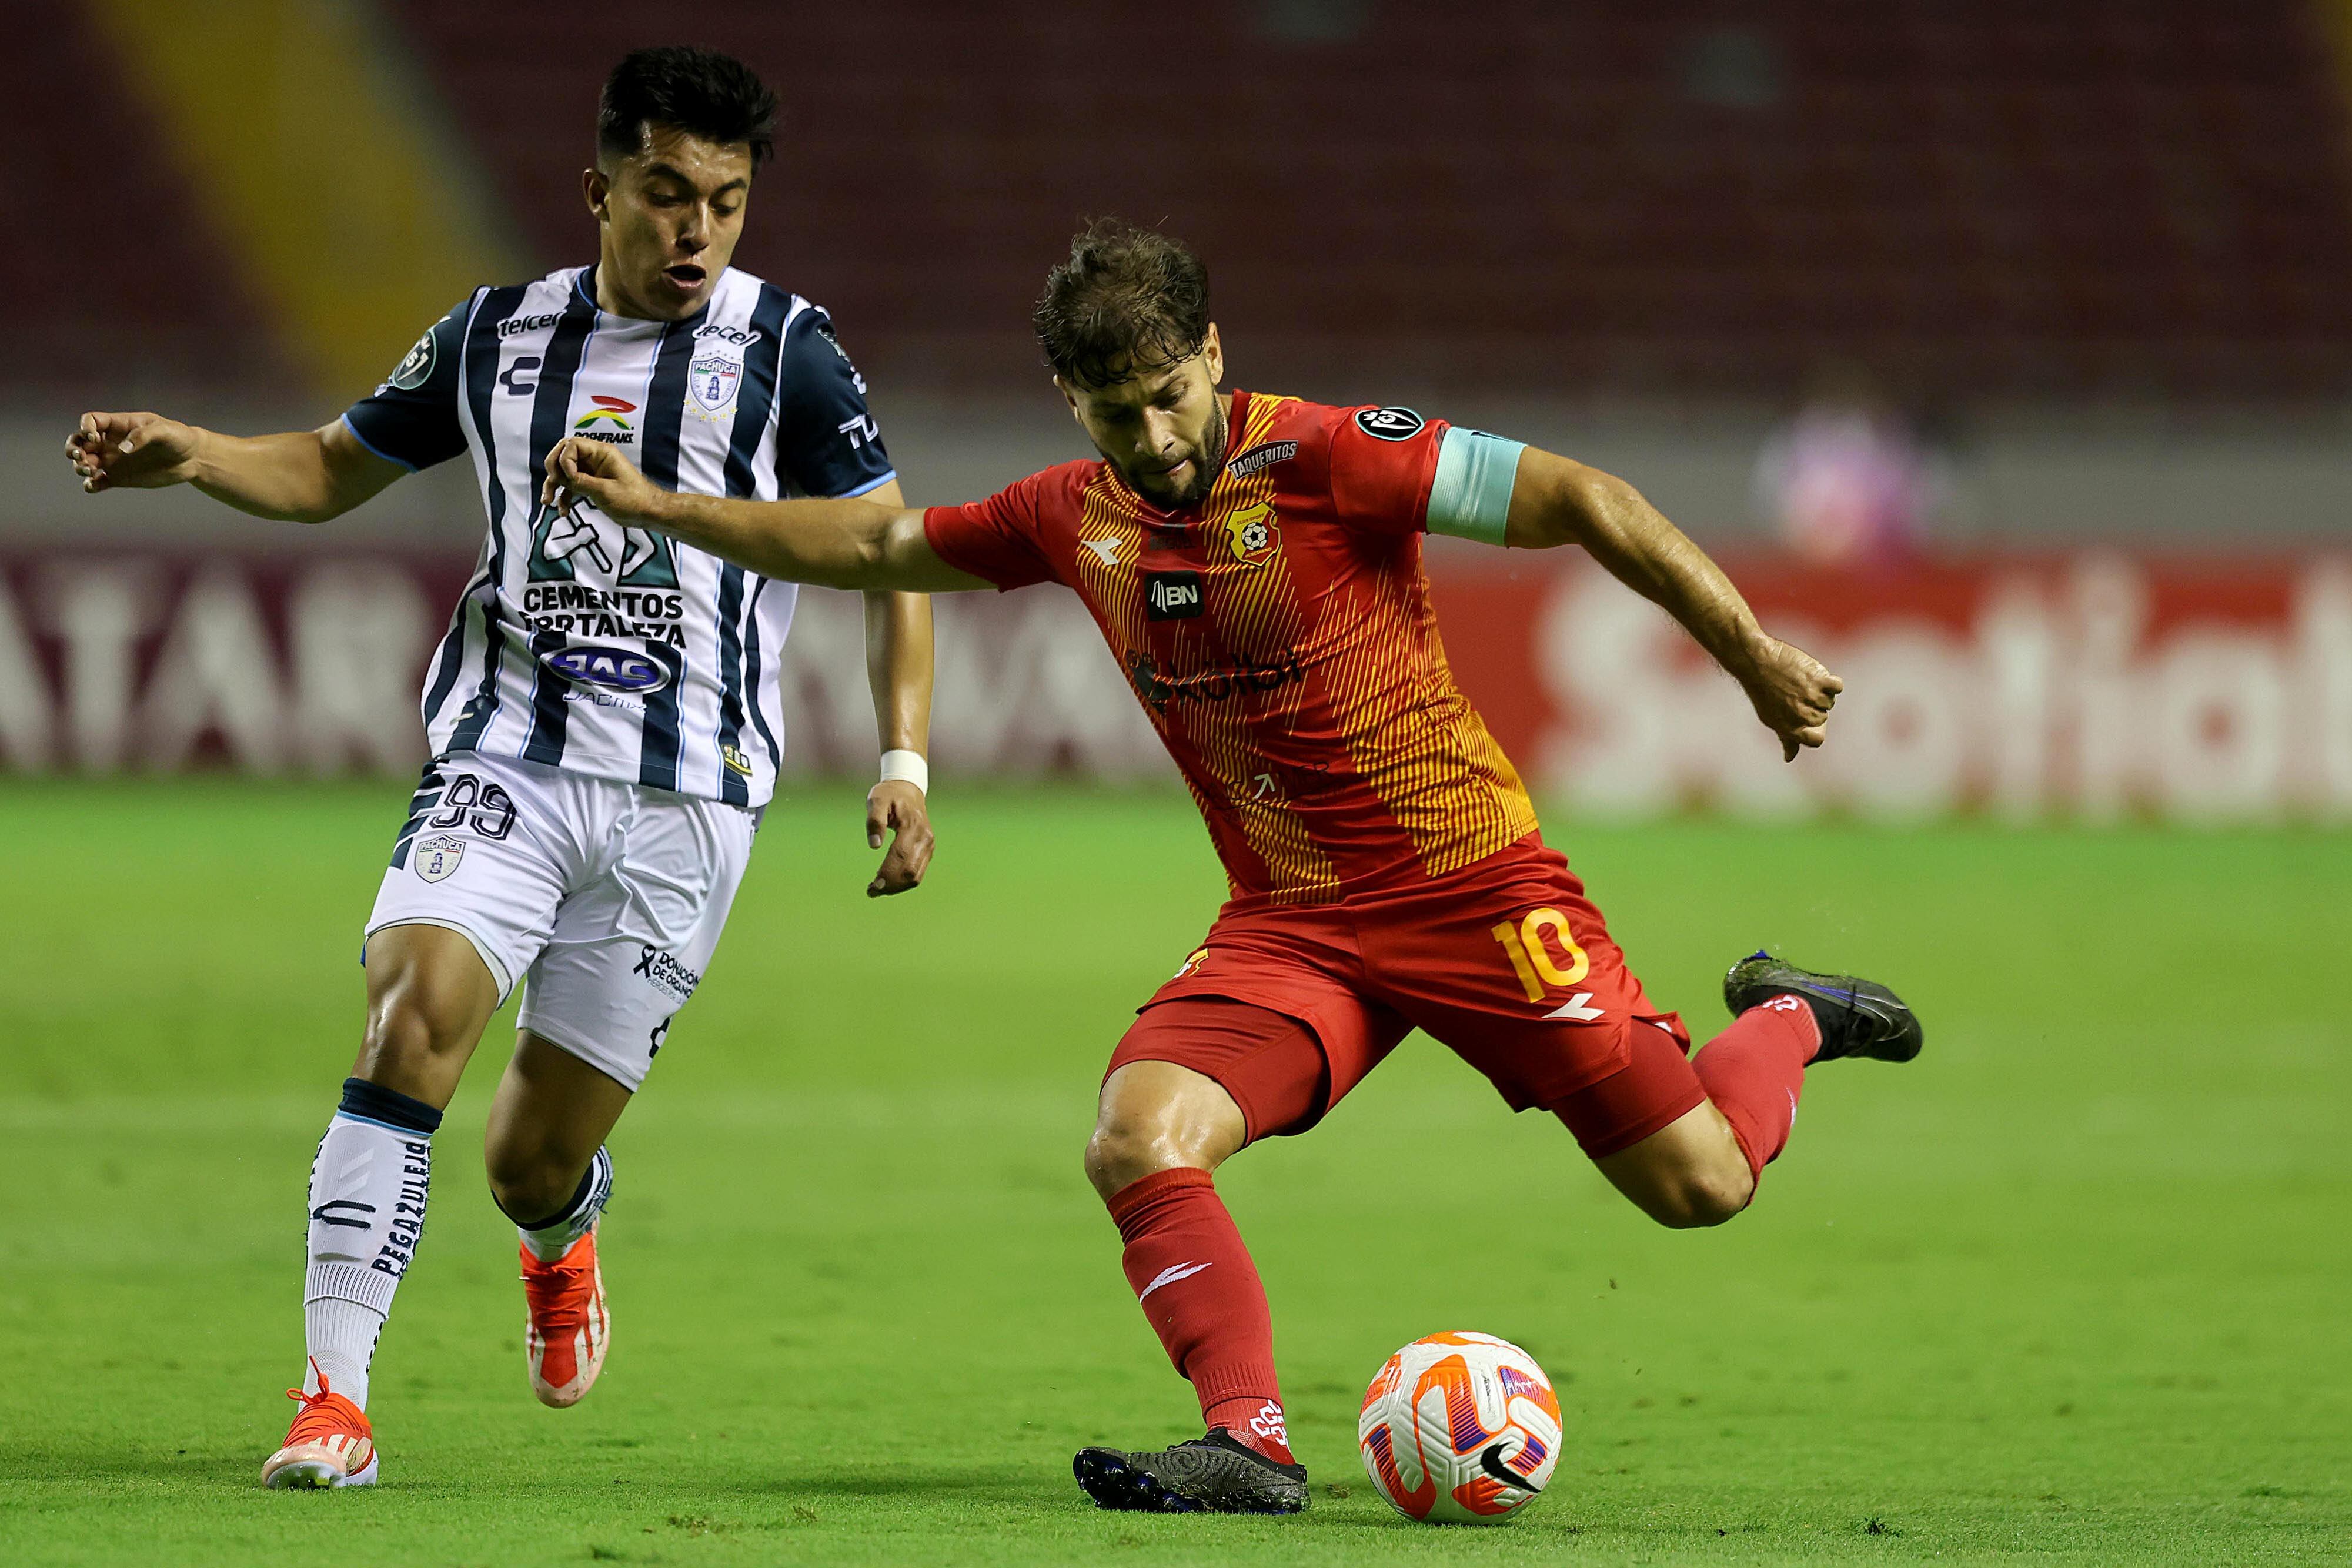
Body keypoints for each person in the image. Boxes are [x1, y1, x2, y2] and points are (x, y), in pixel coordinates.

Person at [532, 220, 1922, 1515]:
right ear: (1069, 401)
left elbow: (1580, 497)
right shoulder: (1071, 515)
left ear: (1211, 356)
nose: (1149, 437)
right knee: (1136, 1133)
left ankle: (1790, 1016)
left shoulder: (1328, 458)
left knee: (1699, 1183)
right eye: (1111, 410)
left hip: (1471, 892)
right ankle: (1248, 1436)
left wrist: (1748, 653)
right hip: (1291, 926)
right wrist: (661, 505)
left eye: (1166, 396)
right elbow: (885, 542)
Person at [64, 46, 937, 1490]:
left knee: (526, 1158)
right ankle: (332, 1401)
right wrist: (198, 453)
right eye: (666, 195)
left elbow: (895, 554)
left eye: (724, 202)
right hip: (507, 759)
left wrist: (903, 753)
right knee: (409, 1022)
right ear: (598, 190)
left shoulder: (790, 352)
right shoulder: (492, 338)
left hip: (686, 807)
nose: (696, 231)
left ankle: (560, 1232)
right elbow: (335, 466)